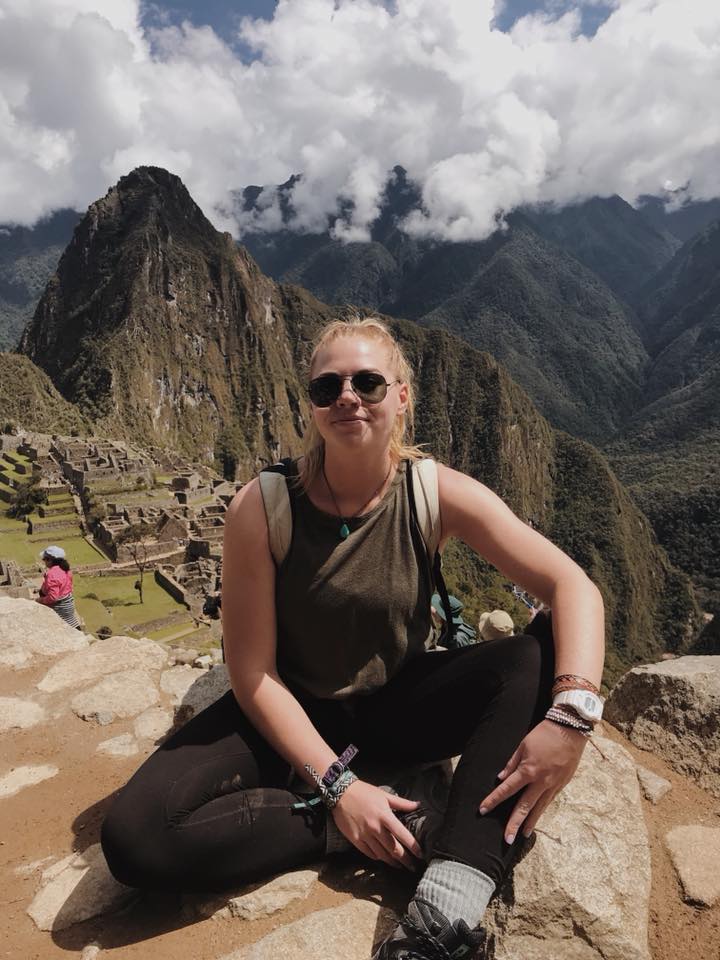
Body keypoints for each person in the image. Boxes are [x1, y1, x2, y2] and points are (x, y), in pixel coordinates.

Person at [101, 318, 606, 959]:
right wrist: (340, 791)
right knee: (135, 838)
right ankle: (379, 828)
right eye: (327, 386)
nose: (347, 397)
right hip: (292, 705)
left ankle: (443, 916)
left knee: (531, 656)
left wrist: (572, 717)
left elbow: (572, 587)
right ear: (310, 403)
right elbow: (252, 671)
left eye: (368, 382)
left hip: (397, 701)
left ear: (400, 397)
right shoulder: (263, 507)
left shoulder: (433, 492)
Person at [36, 545, 82, 630]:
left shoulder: (52, 574)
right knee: (71, 622)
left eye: (44, 559)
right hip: (68, 603)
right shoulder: (65, 569)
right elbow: (69, 587)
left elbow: (53, 597)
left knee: (63, 626)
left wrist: (40, 600)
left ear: (50, 560)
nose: (44, 562)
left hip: (59, 606)